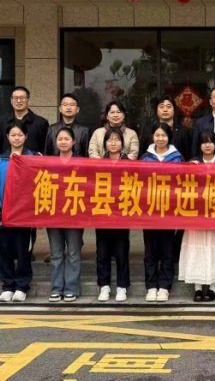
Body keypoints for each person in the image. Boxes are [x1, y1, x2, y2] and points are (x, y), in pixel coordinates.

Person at [0, 121, 37, 303]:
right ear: (7, 137)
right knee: (3, 251)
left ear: (26, 137)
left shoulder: (34, 159)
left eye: (20, 135)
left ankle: (22, 286)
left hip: (24, 217)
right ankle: (7, 285)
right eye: (13, 135)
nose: (16, 138)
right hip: (3, 216)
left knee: (23, 252)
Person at [180, 130, 215, 302]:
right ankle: (198, 288)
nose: (207, 145)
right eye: (204, 142)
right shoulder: (192, 163)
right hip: (196, 216)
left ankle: (214, 287)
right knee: (197, 248)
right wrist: (189, 170)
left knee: (214, 248)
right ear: (199, 145)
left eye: (210, 142)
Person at [140, 122, 184, 302]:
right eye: (157, 135)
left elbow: (182, 183)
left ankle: (165, 286)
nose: (160, 139)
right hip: (149, 211)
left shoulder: (177, 157)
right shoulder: (145, 158)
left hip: (169, 211)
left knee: (167, 250)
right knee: (150, 251)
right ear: (152, 137)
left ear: (169, 137)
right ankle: (151, 286)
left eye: (163, 135)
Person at [47, 127, 86, 302]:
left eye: (67, 139)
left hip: (75, 214)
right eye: (60, 139)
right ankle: (56, 288)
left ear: (74, 142)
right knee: (56, 253)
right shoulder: (49, 163)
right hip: (54, 214)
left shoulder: (82, 162)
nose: (63, 142)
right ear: (56, 142)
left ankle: (71, 288)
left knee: (73, 252)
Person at [94, 128, 130, 303]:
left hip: (122, 214)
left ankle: (122, 286)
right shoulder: (99, 164)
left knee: (121, 252)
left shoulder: (129, 164)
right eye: (110, 140)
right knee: (102, 252)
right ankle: (104, 286)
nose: (113, 143)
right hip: (102, 212)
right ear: (105, 143)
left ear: (122, 143)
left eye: (117, 140)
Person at [0, 86, 50, 156]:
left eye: (22, 98)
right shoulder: (2, 122)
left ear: (28, 101)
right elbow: (0, 145)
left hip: (33, 161)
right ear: (11, 101)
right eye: (15, 98)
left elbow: (44, 148)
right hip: (8, 161)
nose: (19, 101)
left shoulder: (41, 123)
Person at [140, 95, 192, 161]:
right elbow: (142, 154)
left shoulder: (183, 131)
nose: (165, 110)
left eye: (168, 107)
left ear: (174, 109)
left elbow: (188, 155)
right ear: (156, 110)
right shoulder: (148, 130)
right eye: (161, 107)